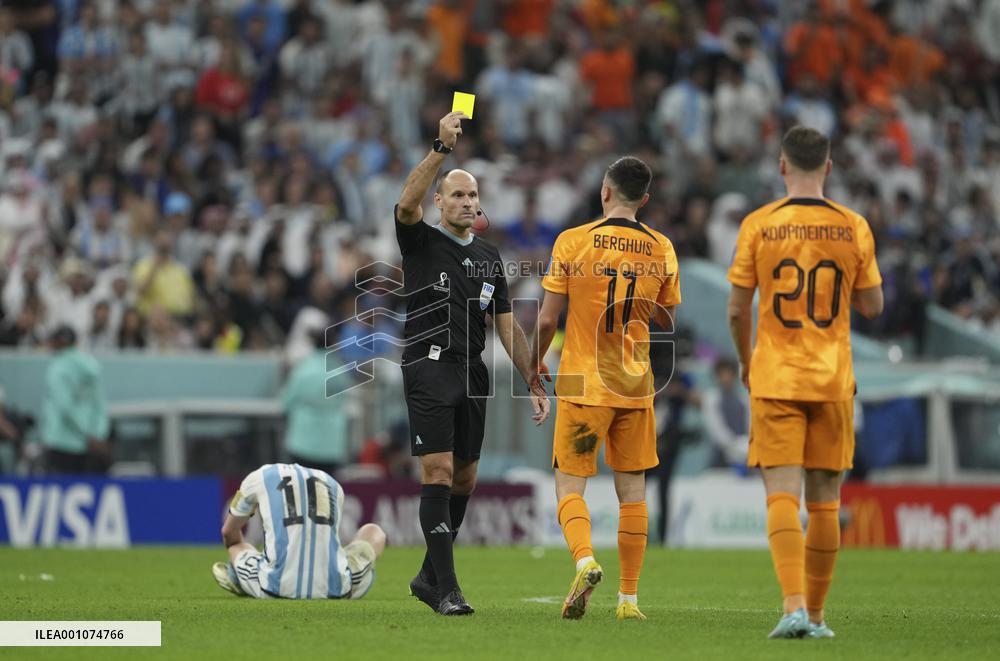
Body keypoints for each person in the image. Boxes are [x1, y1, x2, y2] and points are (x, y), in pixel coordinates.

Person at [726, 126, 883, 639]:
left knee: (781, 497)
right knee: (825, 502)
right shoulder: (854, 225)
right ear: (830, 168)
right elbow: (873, 305)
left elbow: (735, 309)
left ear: (781, 166)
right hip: (833, 379)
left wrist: (747, 361)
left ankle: (793, 606)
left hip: (775, 375)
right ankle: (816, 617)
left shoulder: (758, 224)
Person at [394, 111, 549, 616]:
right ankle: (449, 590)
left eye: (472, 195)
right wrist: (440, 149)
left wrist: (531, 373)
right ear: (439, 202)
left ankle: (427, 575)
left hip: (472, 370)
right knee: (437, 471)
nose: (466, 201)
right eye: (456, 194)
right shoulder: (420, 239)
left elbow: (506, 324)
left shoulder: (488, 256)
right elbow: (404, 202)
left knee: (464, 479)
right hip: (429, 363)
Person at [531, 156, 682, 620]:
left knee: (569, 485)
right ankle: (629, 601)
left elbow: (547, 319)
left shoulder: (574, 242)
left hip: (582, 384)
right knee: (633, 490)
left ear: (604, 192)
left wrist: (533, 364)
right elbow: (666, 316)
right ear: (646, 200)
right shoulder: (663, 248)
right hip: (635, 388)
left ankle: (585, 560)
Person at [212, 462, 386, 600]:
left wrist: (239, 548)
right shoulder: (333, 484)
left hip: (275, 589)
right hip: (339, 589)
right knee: (374, 531)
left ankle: (236, 576)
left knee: (236, 546)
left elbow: (228, 533)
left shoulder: (258, 478)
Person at [39, 325, 110, 474]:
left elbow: (65, 407)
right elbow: (99, 404)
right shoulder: (92, 365)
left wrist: (87, 434)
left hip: (60, 441)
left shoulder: (57, 368)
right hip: (90, 444)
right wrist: (97, 434)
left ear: (57, 343)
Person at [281, 328, 353, 475]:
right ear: (333, 344)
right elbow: (345, 399)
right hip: (331, 444)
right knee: (326, 492)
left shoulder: (302, 369)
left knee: (300, 490)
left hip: (302, 442)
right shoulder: (340, 371)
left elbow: (287, 401)